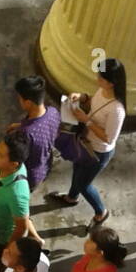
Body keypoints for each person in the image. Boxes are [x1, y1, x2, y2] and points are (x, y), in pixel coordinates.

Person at [49, 57, 126, 226]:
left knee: (84, 184)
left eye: (101, 78)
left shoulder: (117, 110)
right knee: (77, 170)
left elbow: (109, 137)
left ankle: (101, 212)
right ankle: (71, 197)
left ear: (111, 83)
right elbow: (94, 101)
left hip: (97, 151)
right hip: (85, 142)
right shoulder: (102, 90)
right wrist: (82, 97)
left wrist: (87, 120)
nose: (97, 79)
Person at [0, 133, 38, 272]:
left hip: (0, 240)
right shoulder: (4, 168)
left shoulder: (17, 193)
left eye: (0, 155)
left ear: (14, 164)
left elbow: (22, 227)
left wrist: (7, 251)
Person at [6, 76, 60, 192]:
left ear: (28, 102)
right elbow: (40, 126)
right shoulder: (53, 112)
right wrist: (20, 125)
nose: (19, 101)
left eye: (20, 99)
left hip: (27, 177)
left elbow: (17, 159)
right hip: (45, 166)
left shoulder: (26, 134)